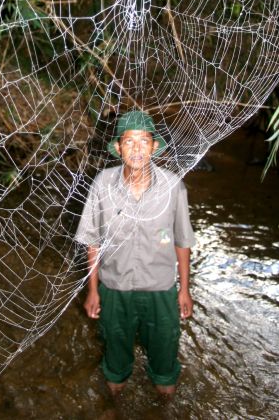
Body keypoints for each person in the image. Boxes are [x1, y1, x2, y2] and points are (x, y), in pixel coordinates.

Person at [75, 110, 195, 397]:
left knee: (165, 371)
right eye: (129, 142)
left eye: (144, 141)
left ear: (155, 146)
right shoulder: (102, 184)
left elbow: (182, 240)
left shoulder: (173, 187)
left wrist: (184, 289)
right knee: (115, 369)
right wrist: (93, 291)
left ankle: (165, 408)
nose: (137, 149)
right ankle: (112, 407)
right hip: (115, 289)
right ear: (118, 148)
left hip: (161, 290)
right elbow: (92, 241)